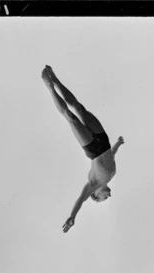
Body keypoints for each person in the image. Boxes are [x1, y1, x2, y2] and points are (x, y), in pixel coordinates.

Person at [42, 65, 125, 233]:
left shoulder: (93, 185)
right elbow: (112, 156)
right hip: (105, 142)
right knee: (79, 108)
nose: (109, 196)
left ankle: (49, 87)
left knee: (71, 118)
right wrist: (118, 144)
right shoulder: (111, 174)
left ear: (96, 195)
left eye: (104, 198)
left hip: (93, 150)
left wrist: (72, 217)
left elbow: (80, 200)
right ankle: (56, 80)